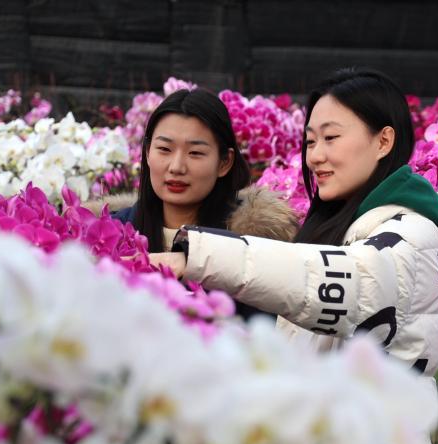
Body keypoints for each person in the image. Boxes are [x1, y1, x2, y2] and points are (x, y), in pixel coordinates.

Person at [150, 69, 438, 444]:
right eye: (310, 140)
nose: (315, 154)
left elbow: (345, 288)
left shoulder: (408, 234)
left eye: (332, 137)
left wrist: (197, 254)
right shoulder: (331, 227)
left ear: (384, 140)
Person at [111, 88, 298, 316]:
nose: (176, 167)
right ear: (148, 152)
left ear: (225, 162)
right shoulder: (112, 233)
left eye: (195, 153)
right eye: (164, 149)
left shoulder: (254, 249)